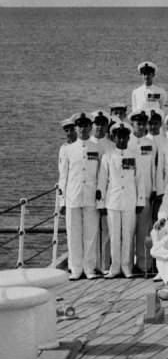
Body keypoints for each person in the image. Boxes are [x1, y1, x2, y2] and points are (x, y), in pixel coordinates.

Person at [97, 122, 146, 278]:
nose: (121, 139)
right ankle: (115, 267)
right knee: (114, 235)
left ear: (128, 137)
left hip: (130, 201)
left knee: (128, 235)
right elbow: (102, 181)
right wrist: (101, 203)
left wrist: (140, 202)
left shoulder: (135, 155)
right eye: (118, 136)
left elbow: (140, 180)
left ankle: (126, 267)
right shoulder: (108, 156)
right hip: (113, 201)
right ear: (113, 138)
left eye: (124, 136)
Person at [60, 113, 102, 279]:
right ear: (75, 128)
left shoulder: (98, 148)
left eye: (86, 125)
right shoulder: (68, 150)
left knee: (90, 234)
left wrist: (101, 197)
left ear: (90, 127)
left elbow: (101, 174)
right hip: (73, 197)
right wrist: (62, 201)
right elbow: (63, 176)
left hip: (91, 196)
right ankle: (76, 269)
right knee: (73, 234)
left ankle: (89, 269)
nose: (83, 129)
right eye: (80, 126)